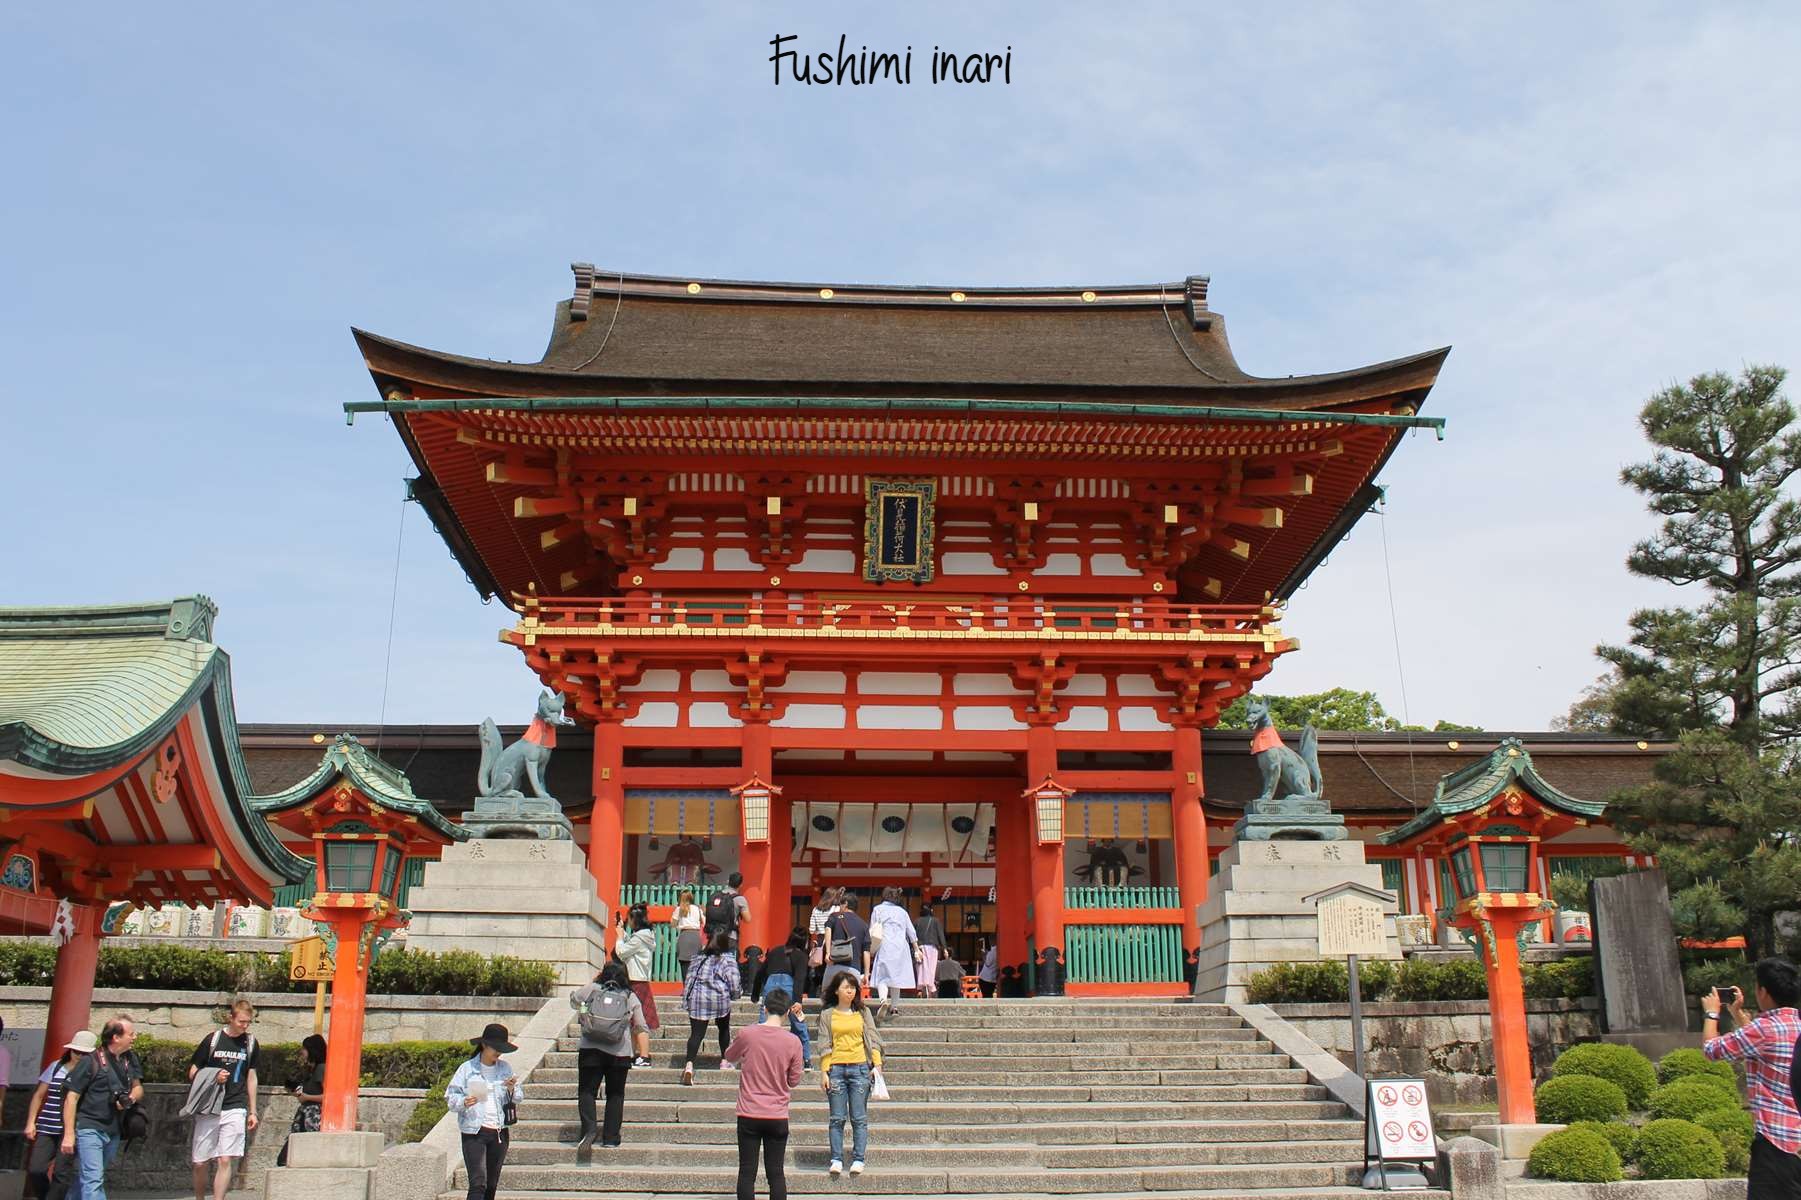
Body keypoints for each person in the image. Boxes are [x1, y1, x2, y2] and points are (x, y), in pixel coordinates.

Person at [1703, 957, 1801, 1197]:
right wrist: (1737, 1014)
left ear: (1763, 991)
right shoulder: (1794, 1024)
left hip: (1775, 1142)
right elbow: (1758, 1043)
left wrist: (1712, 1015)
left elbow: (1712, 1050)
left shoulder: (1764, 1029)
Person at [726, 987, 805, 1200]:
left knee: (747, 1172)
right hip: (777, 1114)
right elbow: (794, 1080)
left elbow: (730, 1056)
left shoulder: (748, 1034)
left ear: (765, 1008)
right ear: (787, 1012)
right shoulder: (793, 1042)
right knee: (776, 1173)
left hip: (749, 1111)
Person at [570, 961, 651, 1151]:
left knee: (587, 1091)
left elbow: (574, 1000)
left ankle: (589, 1130)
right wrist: (643, 1053)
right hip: (619, 1052)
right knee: (615, 1094)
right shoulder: (629, 996)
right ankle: (611, 1138)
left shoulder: (592, 989)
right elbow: (640, 1025)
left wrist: (584, 1014)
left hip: (590, 1047)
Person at [61, 1015, 145, 1200]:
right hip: (89, 1128)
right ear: (116, 1037)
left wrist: (129, 1099)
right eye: (131, 1034)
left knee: (89, 1177)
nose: (135, 1037)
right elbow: (71, 1097)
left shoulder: (130, 1058)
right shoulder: (90, 1061)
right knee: (94, 1179)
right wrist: (69, 1134)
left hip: (114, 1128)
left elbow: (138, 1088)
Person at [187, 997, 261, 1200]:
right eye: (241, 1021)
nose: (244, 1026)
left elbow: (251, 1077)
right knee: (200, 1162)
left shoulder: (251, 1043)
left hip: (235, 1105)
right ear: (231, 1018)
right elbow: (193, 1071)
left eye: (248, 1022)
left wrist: (253, 1110)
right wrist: (213, 1075)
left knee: (225, 1159)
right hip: (210, 1106)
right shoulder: (213, 1039)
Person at [815, 971, 882, 1177]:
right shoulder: (827, 1015)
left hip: (860, 1068)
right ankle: (836, 1158)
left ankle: (858, 1158)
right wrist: (824, 1072)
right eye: (846, 987)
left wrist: (876, 1065)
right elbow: (824, 1044)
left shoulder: (862, 1013)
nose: (850, 991)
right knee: (836, 1118)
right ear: (836, 990)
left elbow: (873, 1037)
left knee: (859, 1118)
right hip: (836, 1069)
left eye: (853, 987)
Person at [446, 1024, 522, 1200]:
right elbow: (451, 1098)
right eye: (496, 1048)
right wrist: (464, 1101)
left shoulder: (505, 1068)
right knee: (478, 1182)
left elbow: (518, 1096)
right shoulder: (467, 1069)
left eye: (501, 1049)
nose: (498, 1053)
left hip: (499, 1131)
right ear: (484, 1045)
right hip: (474, 1131)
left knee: (491, 1184)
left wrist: (511, 1089)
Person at [26, 1029, 92, 1199]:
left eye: (84, 1053)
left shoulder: (90, 1072)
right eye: (76, 1051)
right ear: (70, 1050)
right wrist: (31, 1122)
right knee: (36, 1169)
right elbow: (39, 1095)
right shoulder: (56, 1066)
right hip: (47, 1126)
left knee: (61, 1174)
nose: (79, 1056)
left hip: (69, 1129)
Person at [681, 931, 743, 1086]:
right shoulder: (727, 960)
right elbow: (734, 982)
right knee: (723, 1029)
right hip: (719, 999)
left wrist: (686, 1000)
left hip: (697, 998)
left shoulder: (697, 959)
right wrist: (736, 994)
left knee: (696, 1034)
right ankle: (724, 1060)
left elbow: (689, 980)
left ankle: (689, 1065)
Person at [753, 928, 815, 1067]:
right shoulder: (801, 956)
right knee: (798, 1022)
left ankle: (760, 1057)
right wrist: (798, 1000)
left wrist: (755, 994)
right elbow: (799, 978)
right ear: (804, 942)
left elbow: (760, 972)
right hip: (789, 987)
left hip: (770, 985)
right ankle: (805, 1059)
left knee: (765, 1023)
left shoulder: (775, 951)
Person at [615, 903, 660, 1065]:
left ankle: (644, 1056)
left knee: (639, 1021)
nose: (628, 921)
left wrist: (620, 937)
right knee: (635, 1020)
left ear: (636, 920)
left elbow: (621, 952)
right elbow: (631, 945)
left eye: (630, 919)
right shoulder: (644, 936)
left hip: (636, 982)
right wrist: (624, 934)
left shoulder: (639, 938)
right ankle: (637, 1055)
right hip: (640, 981)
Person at [867, 888, 921, 1018]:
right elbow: (911, 931)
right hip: (901, 947)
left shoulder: (878, 909)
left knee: (882, 975)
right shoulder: (902, 912)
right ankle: (894, 1007)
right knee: (896, 977)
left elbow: (872, 929)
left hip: (885, 944)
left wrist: (870, 946)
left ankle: (883, 1000)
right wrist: (917, 949)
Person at [275, 1035, 326, 1168]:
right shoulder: (311, 1070)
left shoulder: (321, 1069)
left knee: (288, 1158)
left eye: (304, 1048)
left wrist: (307, 1097)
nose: (302, 1052)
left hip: (313, 1118)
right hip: (304, 1116)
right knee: (286, 1158)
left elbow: (328, 1096)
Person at [820, 893, 871, 1001]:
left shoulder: (835, 916)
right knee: (851, 1002)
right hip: (854, 969)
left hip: (834, 965)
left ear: (846, 904)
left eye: (840, 904)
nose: (839, 907)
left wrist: (828, 952)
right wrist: (866, 974)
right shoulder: (863, 925)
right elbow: (866, 951)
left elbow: (827, 929)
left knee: (826, 996)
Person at [706, 872, 752, 950]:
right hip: (730, 936)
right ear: (741, 885)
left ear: (728, 881)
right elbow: (747, 919)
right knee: (728, 961)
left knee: (714, 961)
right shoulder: (739, 899)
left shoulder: (716, 895)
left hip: (714, 935)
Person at [807, 888, 837, 997]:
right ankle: (830, 990)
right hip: (833, 940)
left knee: (819, 967)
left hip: (820, 941)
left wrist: (819, 929)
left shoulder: (816, 909)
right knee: (832, 966)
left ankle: (819, 989)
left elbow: (811, 929)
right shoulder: (835, 909)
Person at [913, 903, 948, 996]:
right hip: (932, 948)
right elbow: (940, 935)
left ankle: (921, 987)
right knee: (931, 968)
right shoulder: (935, 921)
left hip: (919, 948)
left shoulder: (916, 921)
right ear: (931, 911)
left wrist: (913, 948)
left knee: (921, 968)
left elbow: (912, 936)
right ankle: (930, 986)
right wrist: (944, 948)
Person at [673, 889, 705, 979]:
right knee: (695, 965)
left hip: (684, 936)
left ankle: (686, 987)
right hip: (695, 936)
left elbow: (673, 924)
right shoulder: (698, 909)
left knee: (684, 965)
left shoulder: (679, 909)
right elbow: (704, 922)